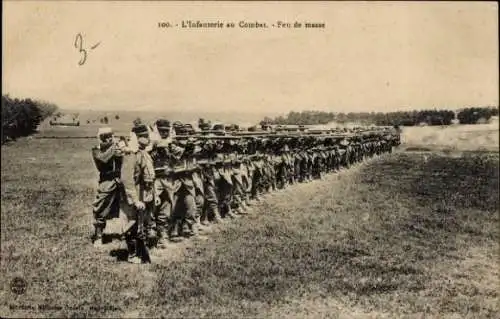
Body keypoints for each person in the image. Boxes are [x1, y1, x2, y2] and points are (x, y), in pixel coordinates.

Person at [91, 127, 127, 248]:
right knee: (101, 207)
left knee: (127, 207)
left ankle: (126, 233)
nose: (109, 138)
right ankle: (98, 236)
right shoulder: (96, 150)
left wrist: (123, 148)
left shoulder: (115, 148)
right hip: (106, 181)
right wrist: (114, 147)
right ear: (101, 138)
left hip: (119, 179)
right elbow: (103, 159)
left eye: (110, 136)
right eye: (105, 136)